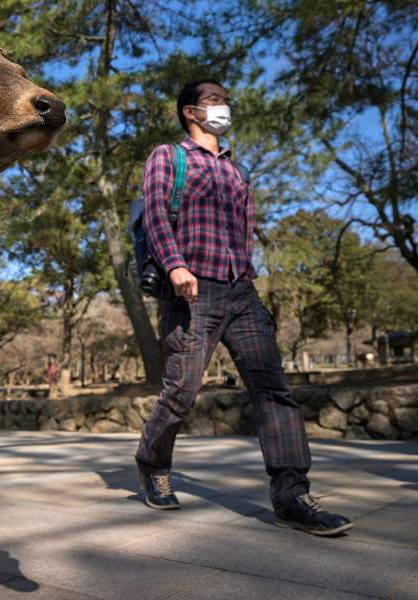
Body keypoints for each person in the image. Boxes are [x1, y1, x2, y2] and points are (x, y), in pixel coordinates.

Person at [135, 79, 352, 536]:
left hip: (240, 290)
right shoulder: (168, 156)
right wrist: (174, 266)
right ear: (190, 112)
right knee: (181, 391)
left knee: (273, 390)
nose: (223, 106)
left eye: (224, 100)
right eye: (214, 100)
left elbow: (245, 232)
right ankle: (152, 462)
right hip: (192, 288)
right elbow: (155, 212)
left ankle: (291, 495)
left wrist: (251, 281)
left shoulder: (239, 171)